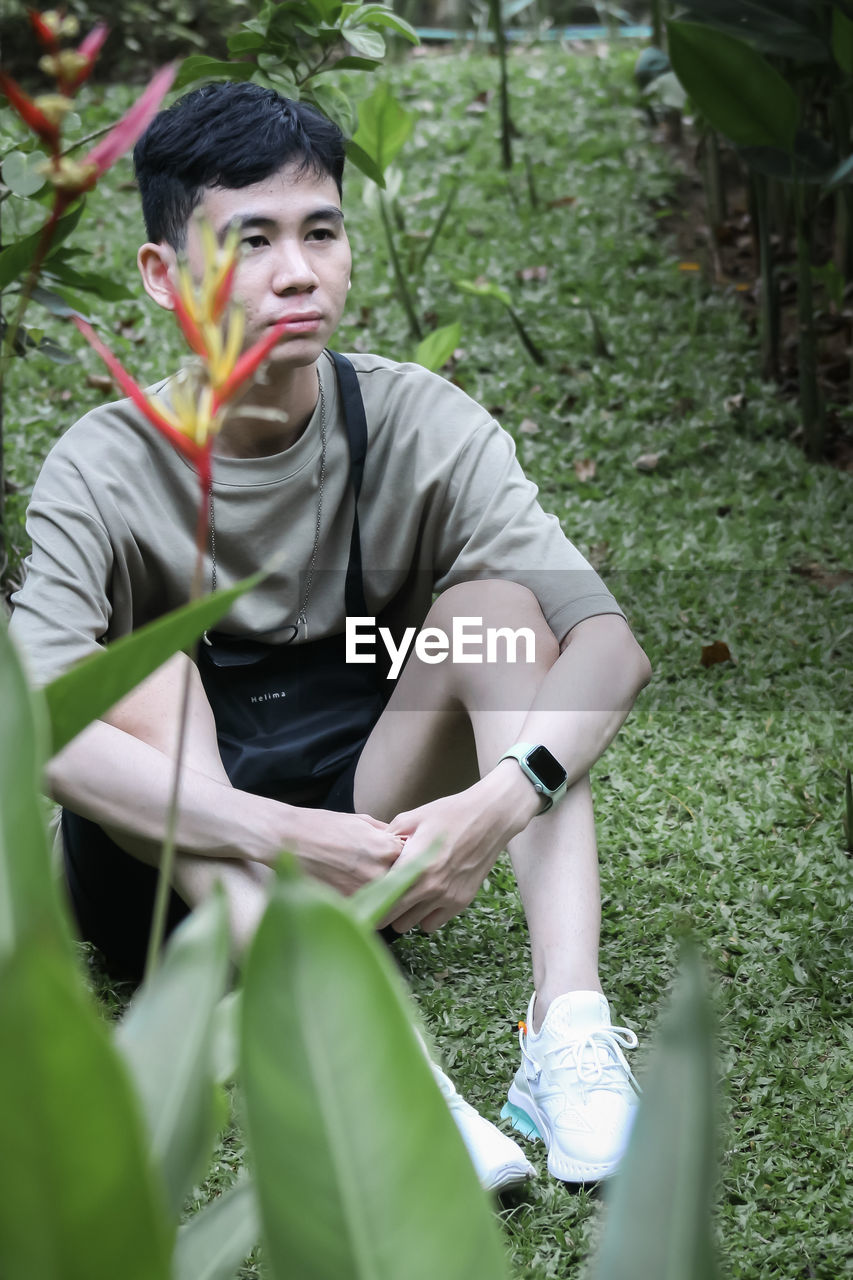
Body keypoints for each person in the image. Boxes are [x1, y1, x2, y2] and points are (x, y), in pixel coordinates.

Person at [10, 82, 652, 1191]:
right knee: (155, 667)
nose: (296, 272)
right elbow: (33, 720)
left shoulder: (414, 420)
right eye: (248, 240)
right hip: (166, 882)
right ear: (166, 277)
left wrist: (493, 802)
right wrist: (271, 831)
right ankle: (390, 1077)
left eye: (320, 230)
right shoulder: (105, 463)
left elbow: (607, 645)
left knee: (500, 619)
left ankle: (567, 1030)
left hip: (369, 833)